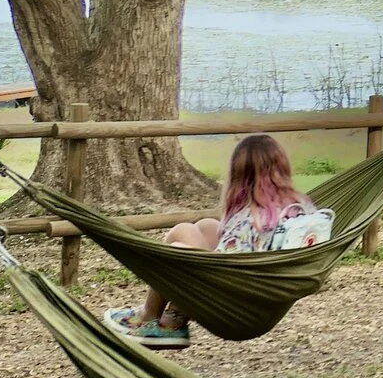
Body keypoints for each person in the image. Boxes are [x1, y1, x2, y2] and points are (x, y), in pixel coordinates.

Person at [106, 134, 325, 348]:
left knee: (177, 249)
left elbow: (226, 267)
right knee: (205, 227)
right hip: (265, 294)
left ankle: (149, 315)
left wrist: (188, 264)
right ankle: (172, 318)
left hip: (235, 302)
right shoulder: (302, 208)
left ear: (239, 176)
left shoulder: (248, 218)